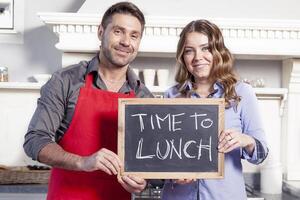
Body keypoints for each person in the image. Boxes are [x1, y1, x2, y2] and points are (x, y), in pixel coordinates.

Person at [23, 2, 153, 200]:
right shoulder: (66, 81)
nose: (126, 41)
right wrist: (83, 162)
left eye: (134, 35)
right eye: (118, 31)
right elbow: (35, 140)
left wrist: (143, 181)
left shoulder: (144, 97)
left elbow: (152, 162)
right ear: (101, 32)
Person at [162, 19, 268, 200]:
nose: (197, 57)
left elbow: (261, 153)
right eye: (189, 51)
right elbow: (161, 153)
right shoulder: (171, 96)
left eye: (206, 48)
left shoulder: (242, 93)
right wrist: (171, 174)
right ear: (183, 57)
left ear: (218, 52)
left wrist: (245, 140)